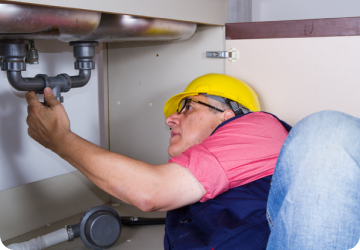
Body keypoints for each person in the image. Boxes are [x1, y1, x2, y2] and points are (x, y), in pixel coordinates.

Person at [25, 73, 360, 249]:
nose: (170, 119)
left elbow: (150, 192)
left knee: (325, 131)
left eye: (188, 107)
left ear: (230, 114)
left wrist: (59, 139)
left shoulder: (258, 127)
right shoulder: (202, 183)